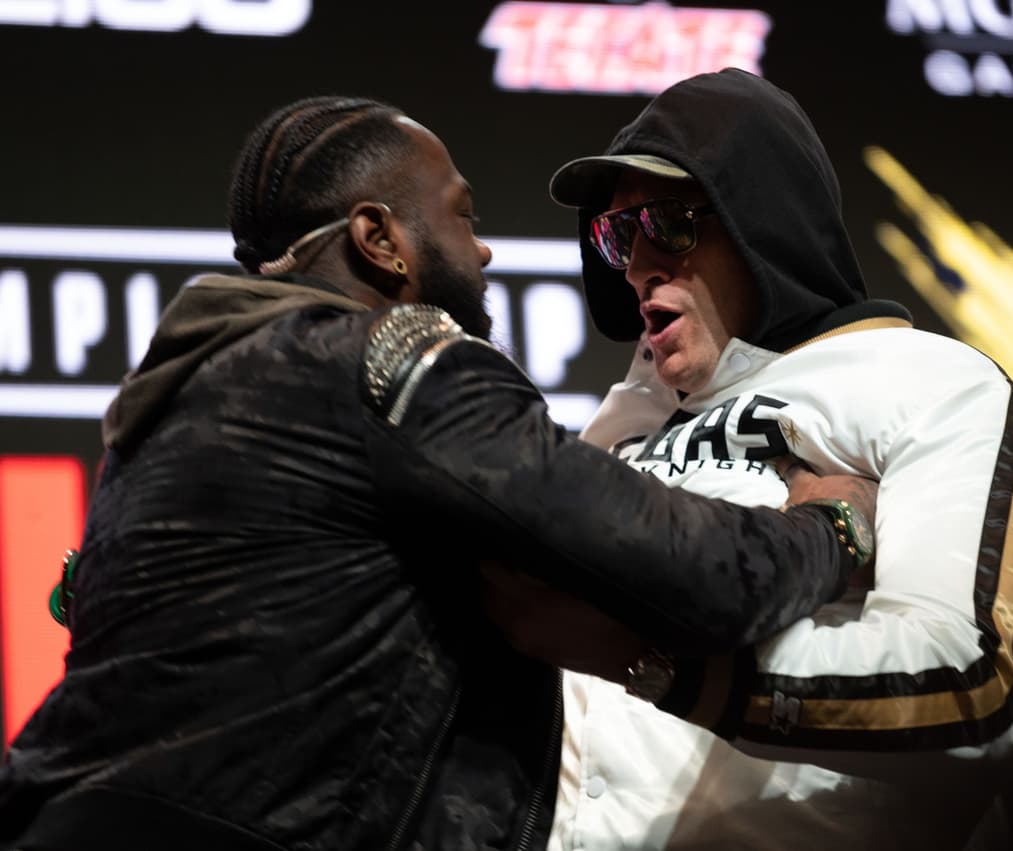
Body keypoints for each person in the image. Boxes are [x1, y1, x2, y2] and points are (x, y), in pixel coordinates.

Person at [0, 94, 881, 851]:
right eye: (464, 217)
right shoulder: (394, 363)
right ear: (379, 239)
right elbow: (684, 569)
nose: (484, 252)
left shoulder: (172, 404)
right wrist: (826, 527)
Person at [490, 67, 1013, 850]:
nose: (638, 265)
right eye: (618, 235)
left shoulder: (934, 385)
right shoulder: (620, 428)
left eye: (669, 223)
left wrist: (662, 661)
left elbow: (976, 690)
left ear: (763, 220)